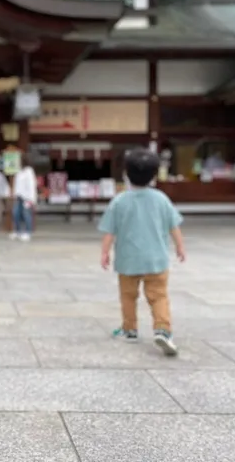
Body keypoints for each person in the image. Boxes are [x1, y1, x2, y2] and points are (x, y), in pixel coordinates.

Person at [98, 147, 186, 356]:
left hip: (128, 261)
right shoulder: (161, 199)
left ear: (126, 174)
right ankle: (163, 330)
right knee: (158, 296)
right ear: (154, 175)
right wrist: (180, 247)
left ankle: (130, 330)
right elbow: (174, 226)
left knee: (128, 296)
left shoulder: (119, 201)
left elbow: (110, 232)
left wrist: (104, 253)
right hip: (156, 260)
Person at [11, 156, 37, 242]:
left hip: (27, 197)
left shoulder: (29, 171)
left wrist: (32, 199)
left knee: (27, 215)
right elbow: (16, 184)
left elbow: (31, 186)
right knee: (15, 214)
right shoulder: (19, 172)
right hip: (19, 196)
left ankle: (28, 232)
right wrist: (14, 194)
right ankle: (17, 231)